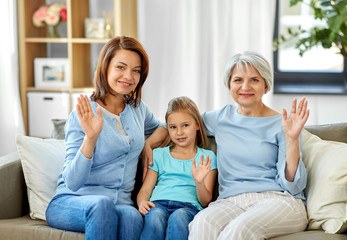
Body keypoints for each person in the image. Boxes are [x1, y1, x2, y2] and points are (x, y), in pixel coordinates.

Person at [143, 51, 310, 240]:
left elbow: (293, 185)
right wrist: (148, 144)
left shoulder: (283, 124)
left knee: (238, 230)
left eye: (254, 80)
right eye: (238, 80)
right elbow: (177, 124)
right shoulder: (221, 118)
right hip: (230, 201)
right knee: (201, 224)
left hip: (278, 201)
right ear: (229, 85)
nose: (245, 87)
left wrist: (292, 139)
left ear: (265, 85)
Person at [45, 36, 166, 240]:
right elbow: (72, 182)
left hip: (120, 203)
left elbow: (164, 127)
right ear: (105, 67)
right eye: (121, 67)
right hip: (73, 201)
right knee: (102, 205)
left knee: (131, 215)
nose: (129, 76)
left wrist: (148, 144)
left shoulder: (138, 109)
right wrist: (90, 138)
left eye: (136, 70)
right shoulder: (83, 116)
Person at [138, 96, 218, 240]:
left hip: (189, 208)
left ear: (198, 125)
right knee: (155, 216)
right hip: (158, 204)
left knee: (179, 217)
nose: (179, 132)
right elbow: (145, 190)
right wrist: (142, 202)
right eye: (173, 127)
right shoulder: (159, 154)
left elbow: (206, 201)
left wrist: (199, 182)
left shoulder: (207, 157)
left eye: (185, 125)